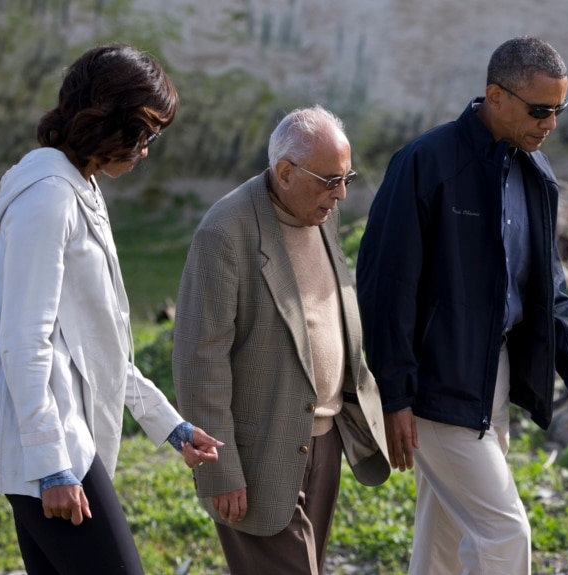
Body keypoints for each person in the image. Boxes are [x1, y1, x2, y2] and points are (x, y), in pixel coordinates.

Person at [356, 36, 568, 574]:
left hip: (491, 378)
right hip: (436, 385)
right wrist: (395, 394)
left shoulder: (535, 174)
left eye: (558, 110)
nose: (551, 124)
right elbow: (386, 286)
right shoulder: (426, 163)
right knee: (503, 531)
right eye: (539, 110)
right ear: (495, 96)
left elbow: (548, 287)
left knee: (445, 536)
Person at [0, 43, 223, 575]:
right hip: (45, 440)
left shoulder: (77, 183)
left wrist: (171, 426)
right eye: (146, 134)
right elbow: (25, 338)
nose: (147, 150)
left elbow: (99, 337)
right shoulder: (48, 197)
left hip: (60, 434)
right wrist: (51, 467)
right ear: (109, 121)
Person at [172, 105, 390, 575]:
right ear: (285, 172)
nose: (343, 195)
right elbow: (199, 359)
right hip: (256, 455)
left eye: (348, 177)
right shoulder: (224, 232)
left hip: (324, 442)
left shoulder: (318, 211)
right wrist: (219, 470)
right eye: (331, 180)